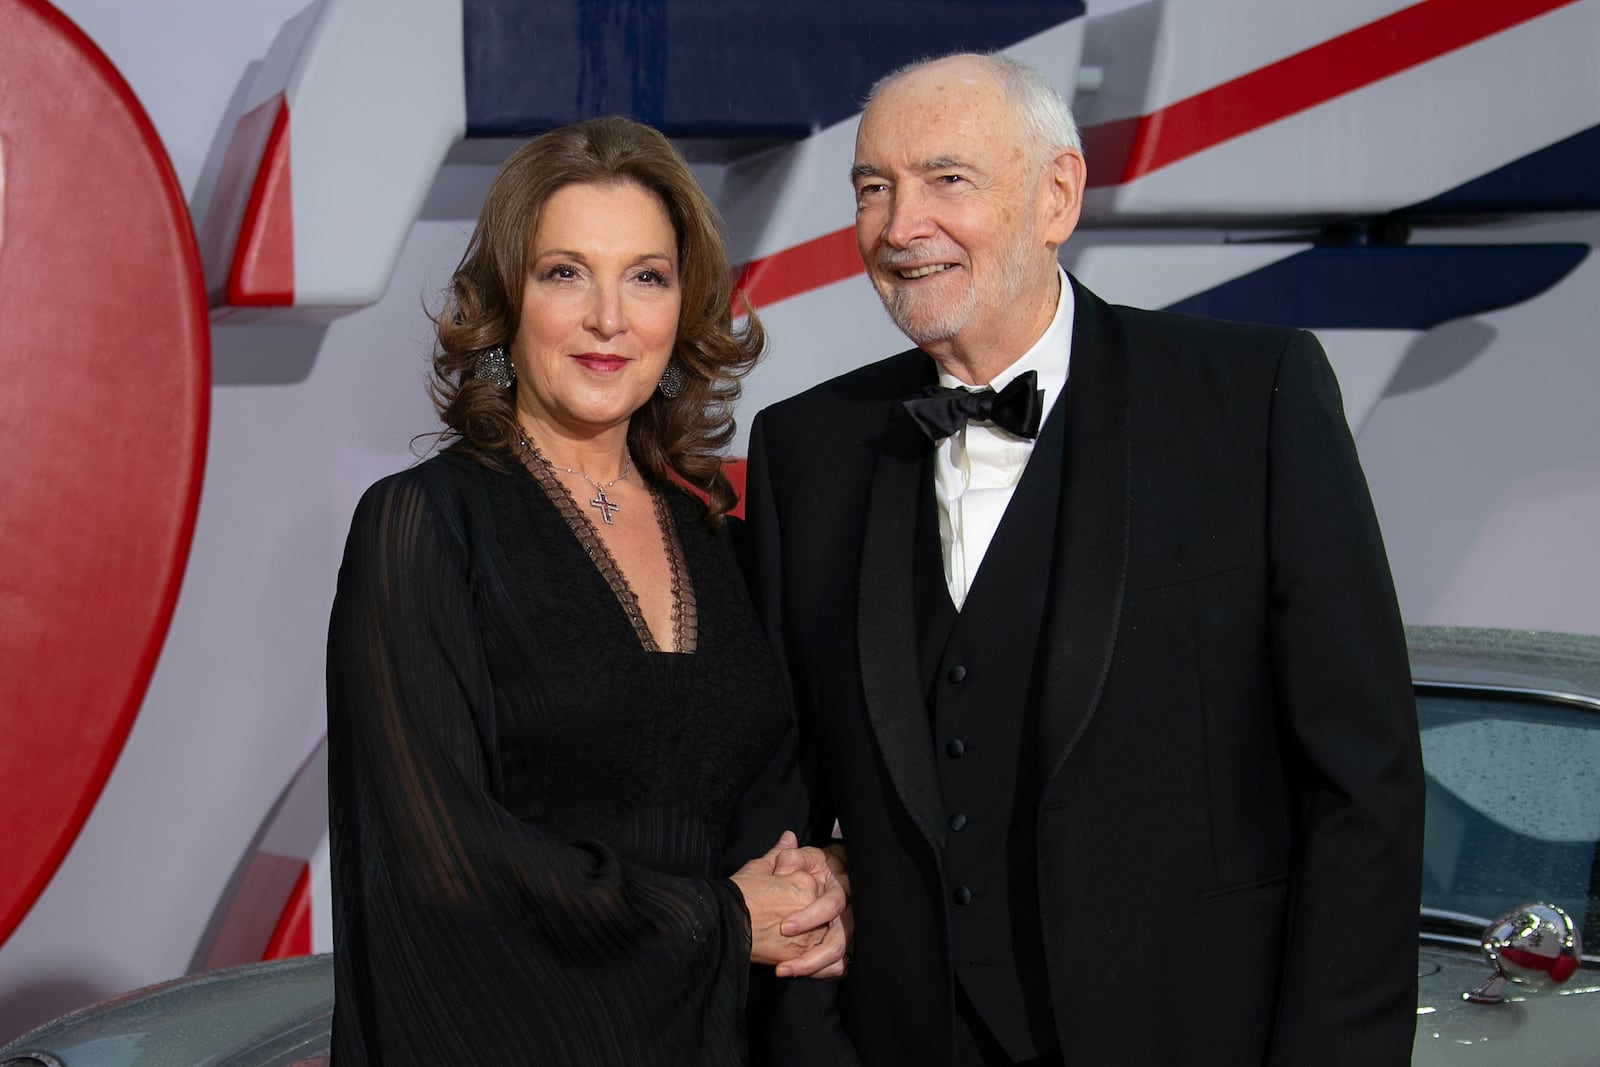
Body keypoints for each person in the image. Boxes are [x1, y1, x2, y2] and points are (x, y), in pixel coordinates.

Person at [742, 53, 1425, 1066]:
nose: (898, 227)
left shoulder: (1252, 399)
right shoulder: (808, 447)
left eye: (946, 180)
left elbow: (1362, 785)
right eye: (871, 188)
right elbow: (775, 803)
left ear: (1056, 194)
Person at [326, 116, 846, 1066]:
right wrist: (723, 919)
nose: (609, 317)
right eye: (564, 272)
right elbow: (440, 859)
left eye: (645, 276)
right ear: (504, 301)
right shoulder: (422, 526)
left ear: (682, 310)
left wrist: (827, 886)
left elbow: (784, 813)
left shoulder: (729, 545)